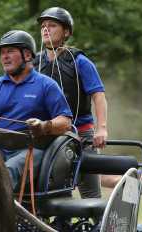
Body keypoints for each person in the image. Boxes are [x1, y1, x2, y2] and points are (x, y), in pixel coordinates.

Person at [0, 30, 73, 190]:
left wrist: (43, 126)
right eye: (2, 53)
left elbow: (65, 122)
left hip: (33, 150)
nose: (4, 57)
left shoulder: (46, 85)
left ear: (27, 55)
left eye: (10, 51)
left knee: (6, 172)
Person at [34, 7, 108, 199]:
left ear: (66, 32)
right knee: (46, 191)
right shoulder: (34, 63)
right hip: (45, 133)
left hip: (81, 134)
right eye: (43, 26)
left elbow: (98, 96)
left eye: (52, 25)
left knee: (90, 192)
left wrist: (102, 129)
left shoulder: (80, 61)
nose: (45, 29)